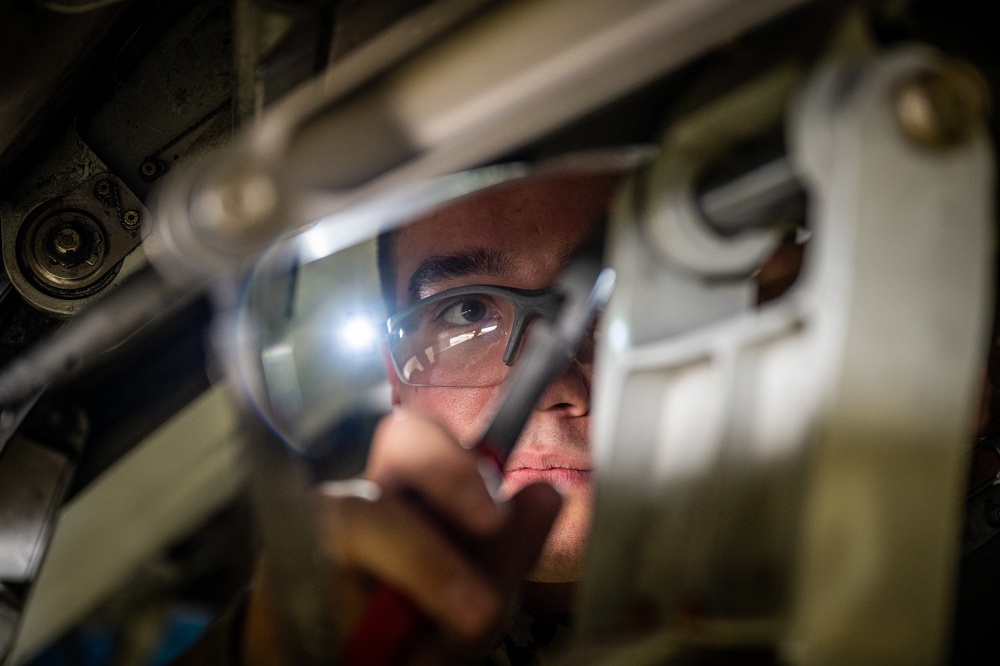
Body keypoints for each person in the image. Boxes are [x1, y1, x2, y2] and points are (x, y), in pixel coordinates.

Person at [173, 172, 623, 666]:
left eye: (613, 302)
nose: (556, 391)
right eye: (469, 312)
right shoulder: (337, 621)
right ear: (397, 380)